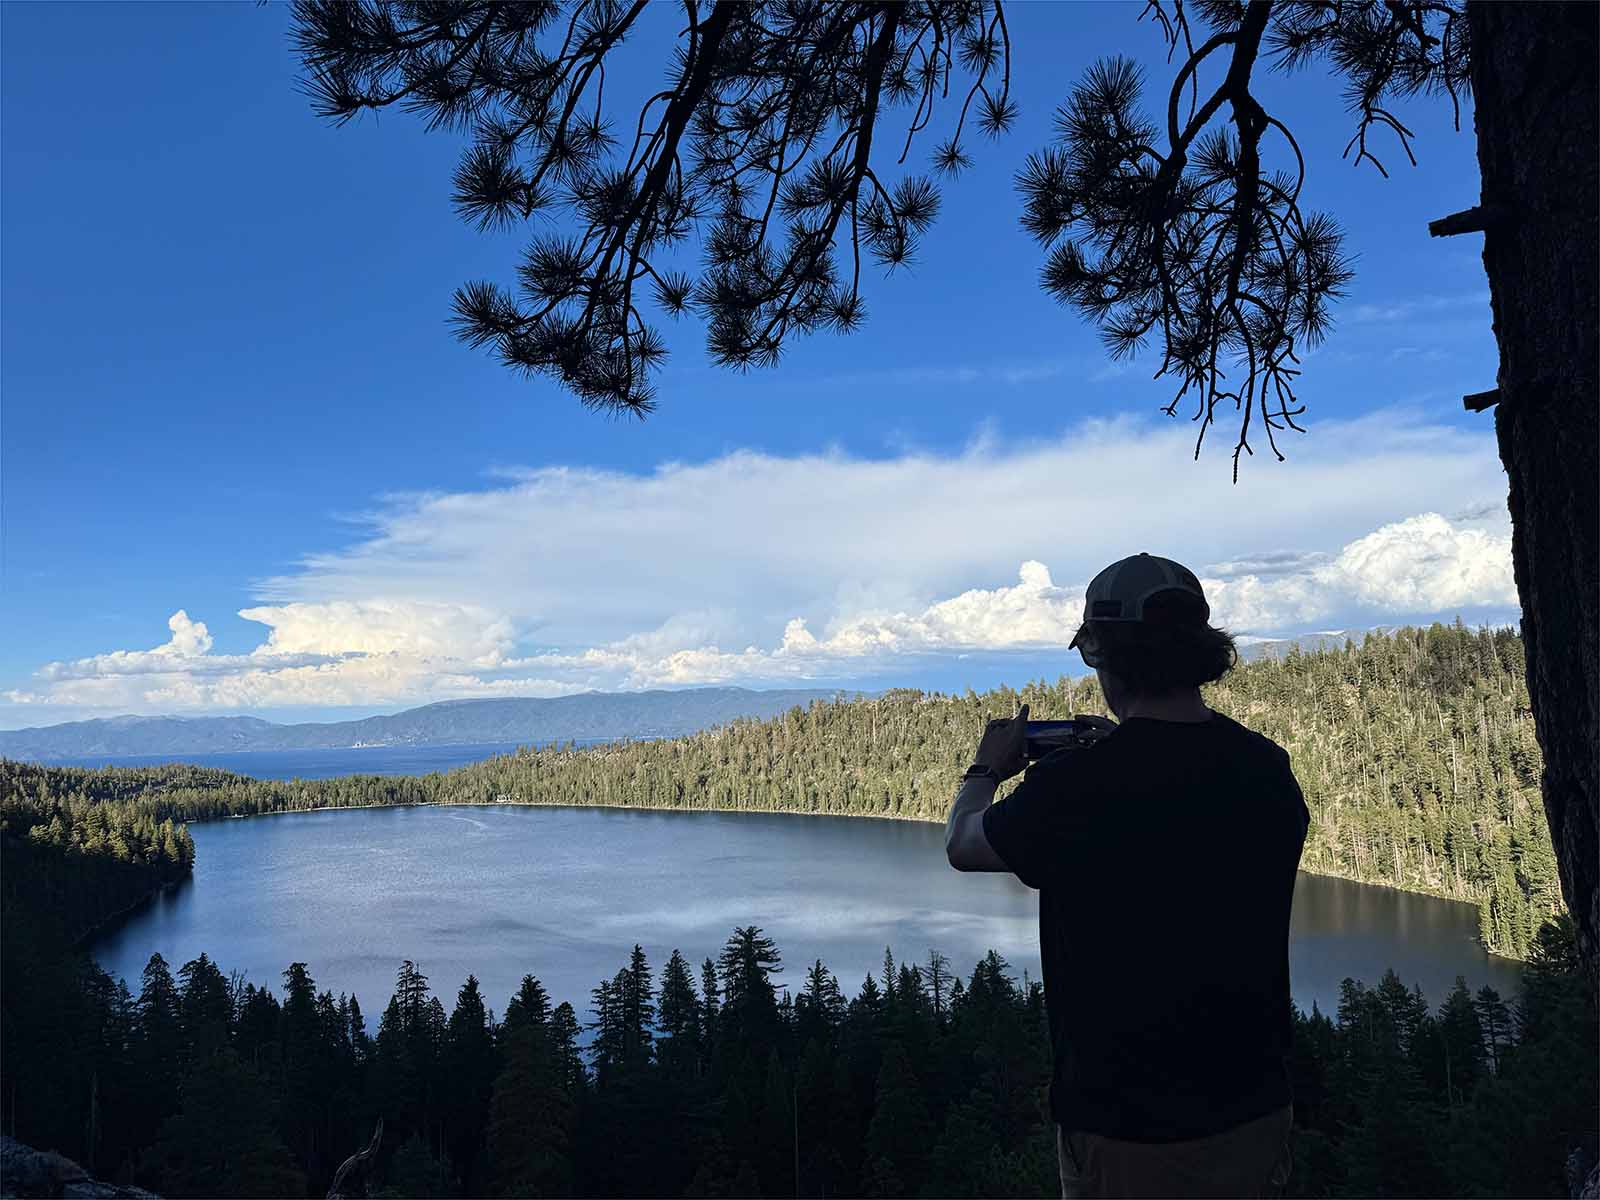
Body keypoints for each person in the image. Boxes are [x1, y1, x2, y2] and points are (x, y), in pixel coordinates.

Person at [944, 552, 1309, 1199]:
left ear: (1104, 656)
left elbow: (965, 844)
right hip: (1255, 1115)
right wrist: (1123, 744)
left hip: (1128, 1132)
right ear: (1200, 649)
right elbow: (1179, 821)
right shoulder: (1266, 769)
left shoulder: (1078, 787)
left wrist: (986, 770)